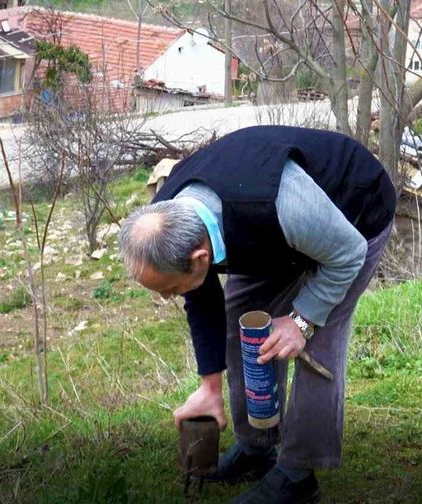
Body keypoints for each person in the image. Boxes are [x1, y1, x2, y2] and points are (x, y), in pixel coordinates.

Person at [119, 125, 395, 503]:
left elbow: (346, 254)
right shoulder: (171, 217)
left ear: (199, 258)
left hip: (352, 218)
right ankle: (257, 445)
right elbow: (200, 295)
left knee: (314, 346)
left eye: (168, 289)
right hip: (272, 235)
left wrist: (302, 320)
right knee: (243, 324)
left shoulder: (282, 204)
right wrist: (209, 386)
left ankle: (298, 474)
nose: (168, 298)